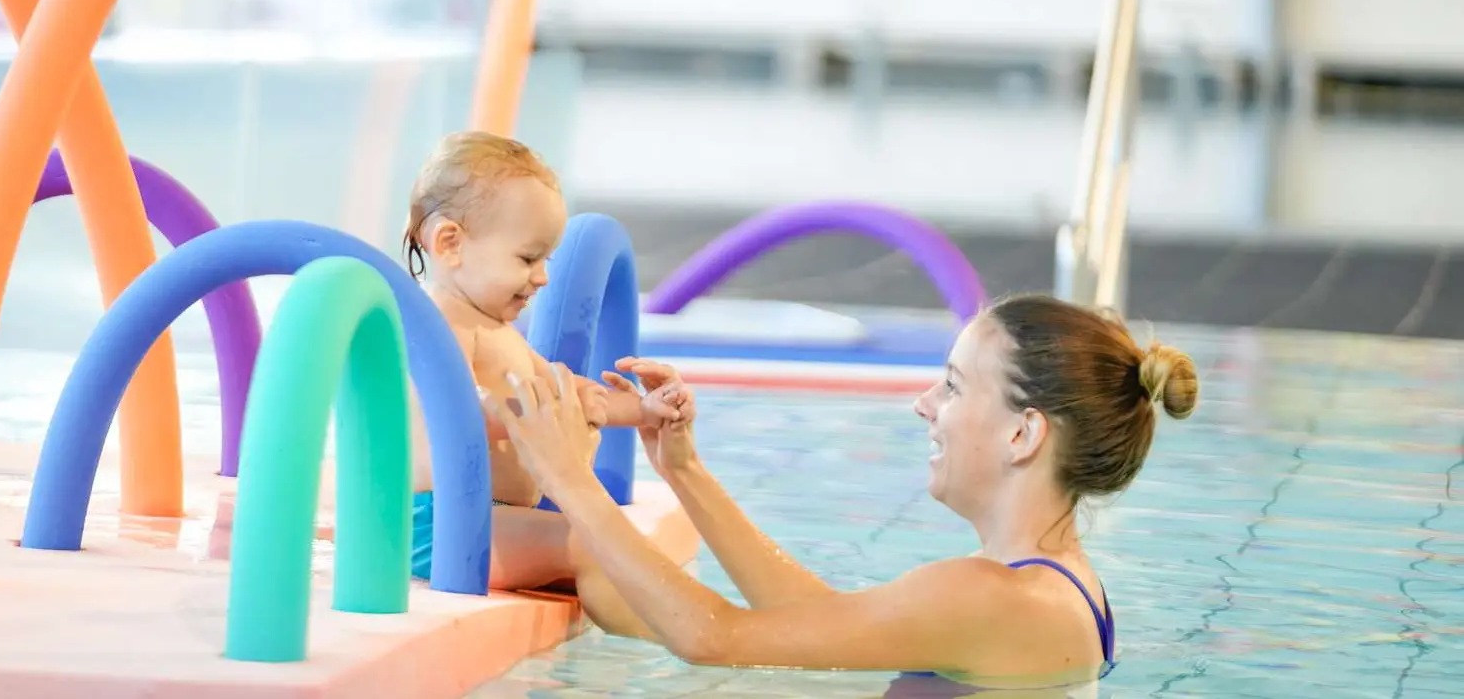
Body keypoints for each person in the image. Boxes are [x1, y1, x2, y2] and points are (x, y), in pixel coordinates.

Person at [484, 294, 1198, 685]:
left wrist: (568, 479)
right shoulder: (1046, 590)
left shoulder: (997, 596)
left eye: (951, 386)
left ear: (1023, 435)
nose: (924, 404)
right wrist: (683, 469)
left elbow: (712, 639)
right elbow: (819, 619)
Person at [401, 131, 690, 615]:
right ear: (450, 243)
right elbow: (451, 408)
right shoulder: (441, 323)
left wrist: (643, 409)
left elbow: (573, 394)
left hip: (492, 517)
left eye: (547, 259)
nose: (543, 277)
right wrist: (530, 413)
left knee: (606, 544)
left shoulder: (499, 333)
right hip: (440, 525)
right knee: (594, 544)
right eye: (527, 258)